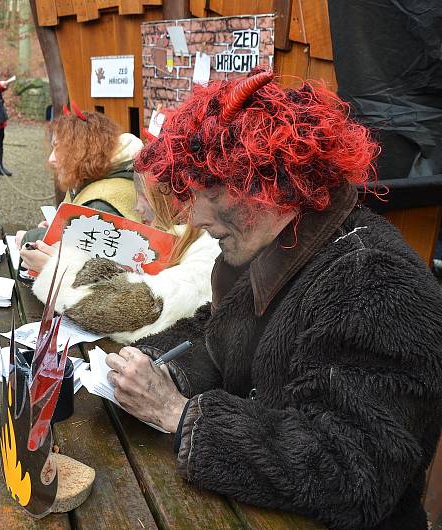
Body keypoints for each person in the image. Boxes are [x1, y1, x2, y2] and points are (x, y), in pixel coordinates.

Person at [106, 69, 442, 529]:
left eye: (214, 190)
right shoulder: (277, 247)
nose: (196, 215)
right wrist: (158, 367)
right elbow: (217, 334)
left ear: (275, 183)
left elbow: (353, 475)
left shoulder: (376, 283)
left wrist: (178, 413)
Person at [20, 171, 219, 344]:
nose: (137, 208)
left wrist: (57, 270)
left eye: (144, 196)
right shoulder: (184, 236)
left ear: (171, 198)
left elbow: (139, 310)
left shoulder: (211, 248)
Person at [18, 108, 144, 246]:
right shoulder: (97, 179)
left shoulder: (102, 200)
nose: (51, 159)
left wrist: (28, 238)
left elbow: (79, 246)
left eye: (59, 149)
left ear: (84, 152)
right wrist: (57, 227)